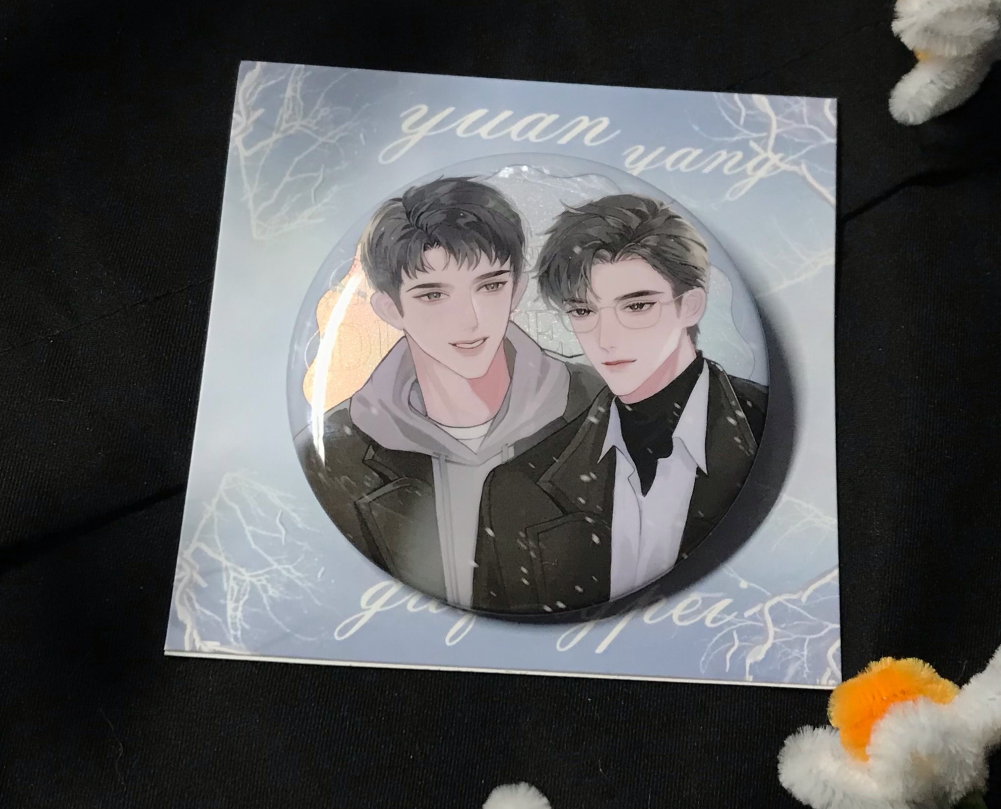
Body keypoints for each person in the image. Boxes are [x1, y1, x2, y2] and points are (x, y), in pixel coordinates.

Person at [296, 176, 602, 609]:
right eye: (433, 295)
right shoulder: (331, 455)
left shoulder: (605, 407)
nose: (469, 319)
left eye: (490, 286)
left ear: (516, 290)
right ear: (390, 309)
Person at [474, 193, 767, 616]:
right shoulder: (517, 489)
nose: (606, 338)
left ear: (690, 305)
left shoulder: (776, 430)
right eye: (583, 311)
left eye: (637, 305)